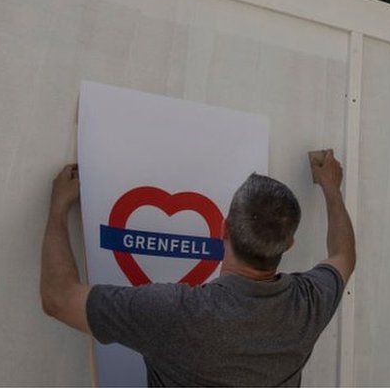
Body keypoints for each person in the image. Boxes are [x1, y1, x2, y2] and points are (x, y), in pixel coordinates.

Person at [40, 151, 355, 386]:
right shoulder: (309, 304)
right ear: (289, 245)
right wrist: (331, 188)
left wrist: (58, 208)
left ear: (223, 230)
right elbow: (344, 255)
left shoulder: (174, 312)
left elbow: (58, 299)